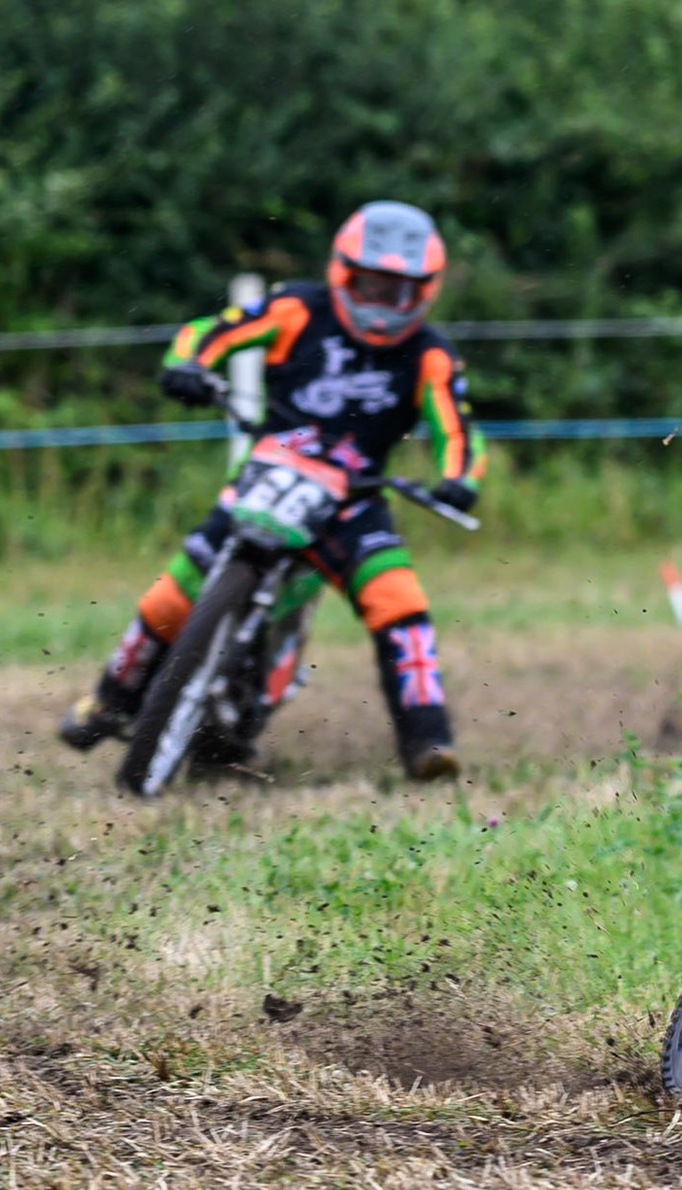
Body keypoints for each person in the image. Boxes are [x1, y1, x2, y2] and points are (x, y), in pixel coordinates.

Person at [58, 200, 486, 780]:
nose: (381, 302)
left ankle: (427, 740)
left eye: (398, 291)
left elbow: (456, 428)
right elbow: (211, 332)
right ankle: (109, 699)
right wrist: (186, 364)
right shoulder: (296, 306)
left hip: (353, 502)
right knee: (167, 599)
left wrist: (460, 479)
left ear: (425, 292)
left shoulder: (430, 352)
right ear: (342, 271)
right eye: (370, 284)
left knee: (401, 604)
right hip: (270, 475)